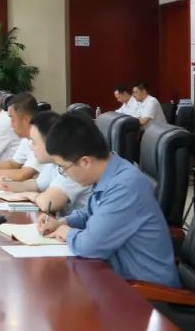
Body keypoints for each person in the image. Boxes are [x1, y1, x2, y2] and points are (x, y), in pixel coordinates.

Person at [38, 114, 180, 287]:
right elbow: (90, 214)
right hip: (118, 280)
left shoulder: (125, 185)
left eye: (62, 167)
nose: (64, 174)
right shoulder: (109, 172)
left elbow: (89, 247)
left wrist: (67, 232)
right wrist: (61, 222)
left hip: (148, 293)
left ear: (85, 162)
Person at [0, 111, 92, 215]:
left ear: (50, 141)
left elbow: (48, 203)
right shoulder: (53, 163)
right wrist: (9, 185)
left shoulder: (73, 166)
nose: (30, 147)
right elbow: (37, 185)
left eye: (34, 142)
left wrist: (28, 195)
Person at [0, 93, 39, 182]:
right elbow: (13, 164)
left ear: (26, 120)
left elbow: (23, 174)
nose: (11, 125)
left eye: (12, 119)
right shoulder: (26, 138)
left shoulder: (40, 139)